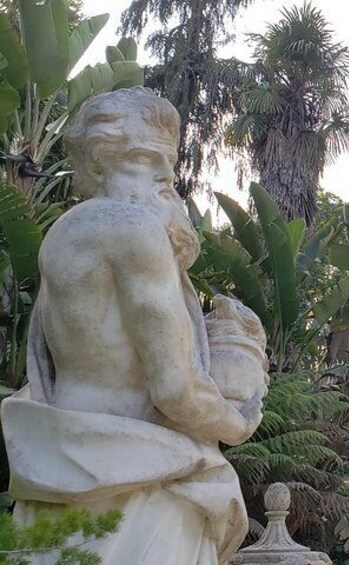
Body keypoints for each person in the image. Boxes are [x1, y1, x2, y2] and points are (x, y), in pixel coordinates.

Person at [0, 88, 267, 564]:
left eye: (168, 161)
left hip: (62, 460)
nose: (167, 176)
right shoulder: (134, 229)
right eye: (151, 159)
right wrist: (239, 421)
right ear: (102, 163)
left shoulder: (61, 236)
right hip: (137, 475)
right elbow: (174, 389)